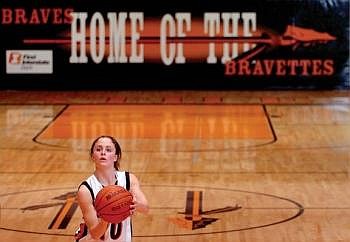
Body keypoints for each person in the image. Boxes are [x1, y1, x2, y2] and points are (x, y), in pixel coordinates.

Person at [75, 135, 149, 242]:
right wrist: (107, 214)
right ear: (92, 156)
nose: (103, 152)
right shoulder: (86, 190)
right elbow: (95, 234)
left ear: (115, 157)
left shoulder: (129, 179)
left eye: (108, 150)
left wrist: (136, 204)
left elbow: (146, 208)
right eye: (98, 149)